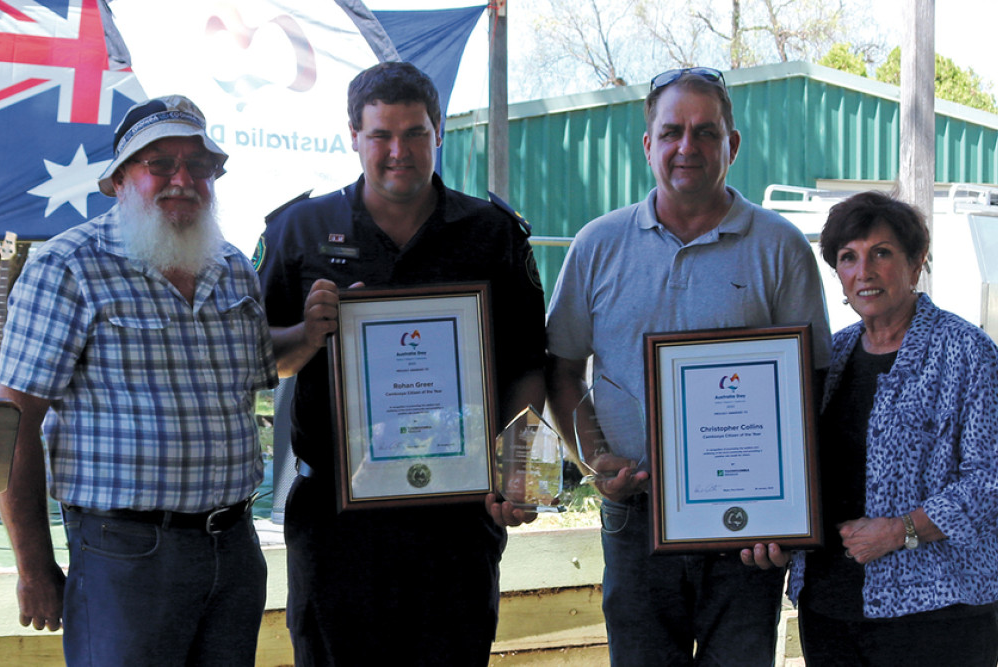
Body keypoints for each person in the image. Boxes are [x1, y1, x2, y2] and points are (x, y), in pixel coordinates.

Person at [254, 61, 546, 666]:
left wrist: (520, 471)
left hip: (456, 520)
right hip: (336, 519)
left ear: (439, 131)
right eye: (381, 135)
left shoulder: (492, 233)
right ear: (353, 136)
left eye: (414, 133)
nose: (398, 151)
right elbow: (258, 361)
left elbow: (527, 365)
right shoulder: (300, 230)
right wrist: (306, 334)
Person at [544, 67, 833, 666]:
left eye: (706, 132)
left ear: (732, 144)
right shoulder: (597, 246)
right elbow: (563, 371)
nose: (688, 147)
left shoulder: (780, 248)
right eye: (672, 131)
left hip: (747, 531)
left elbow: (811, 387)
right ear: (648, 144)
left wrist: (790, 515)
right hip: (635, 518)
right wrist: (595, 459)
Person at [0, 95, 278, 666]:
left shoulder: (233, 269)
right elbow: (11, 419)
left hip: (235, 550)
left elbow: (263, 373)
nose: (182, 179)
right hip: (123, 555)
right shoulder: (67, 266)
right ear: (121, 179)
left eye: (198, 165)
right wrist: (33, 564)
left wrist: (326, 325)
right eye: (159, 163)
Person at [777, 191, 998, 665]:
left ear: (917, 262)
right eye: (848, 258)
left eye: (882, 252)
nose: (865, 271)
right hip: (830, 606)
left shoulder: (967, 352)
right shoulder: (827, 356)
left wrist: (903, 531)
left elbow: (989, 479)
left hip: (939, 611)